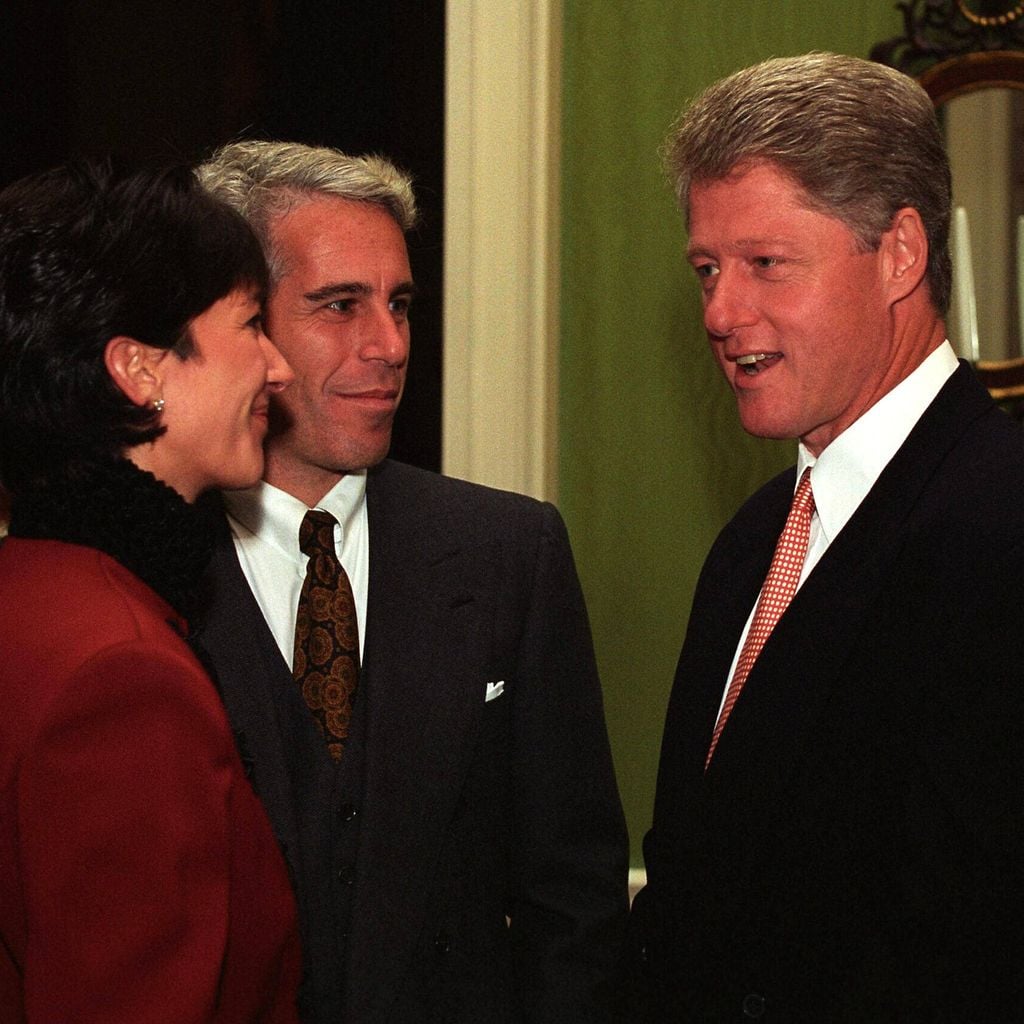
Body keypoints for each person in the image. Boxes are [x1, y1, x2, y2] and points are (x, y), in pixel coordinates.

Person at [624, 52, 1024, 1021]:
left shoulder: (1002, 519)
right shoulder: (751, 543)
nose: (721, 313)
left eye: (766, 264)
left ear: (898, 254)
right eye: (707, 270)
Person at [193, 139, 629, 1024]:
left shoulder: (509, 551)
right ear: (244, 323)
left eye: (398, 304)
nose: (389, 345)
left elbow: (572, 904)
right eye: (339, 305)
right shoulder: (144, 573)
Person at [0, 162, 302, 1022]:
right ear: (140, 369)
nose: (277, 369)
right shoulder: (123, 678)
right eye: (251, 324)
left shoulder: (32, 596)